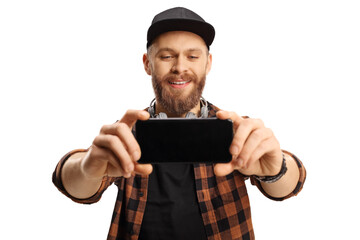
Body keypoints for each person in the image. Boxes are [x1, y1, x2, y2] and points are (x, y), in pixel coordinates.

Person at [53, 7, 306, 240]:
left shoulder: (234, 130)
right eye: (167, 56)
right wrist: (87, 169)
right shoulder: (128, 133)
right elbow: (73, 183)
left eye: (193, 56)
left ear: (208, 64)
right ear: (147, 64)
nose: (180, 67)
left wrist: (277, 170)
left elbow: (290, 183)